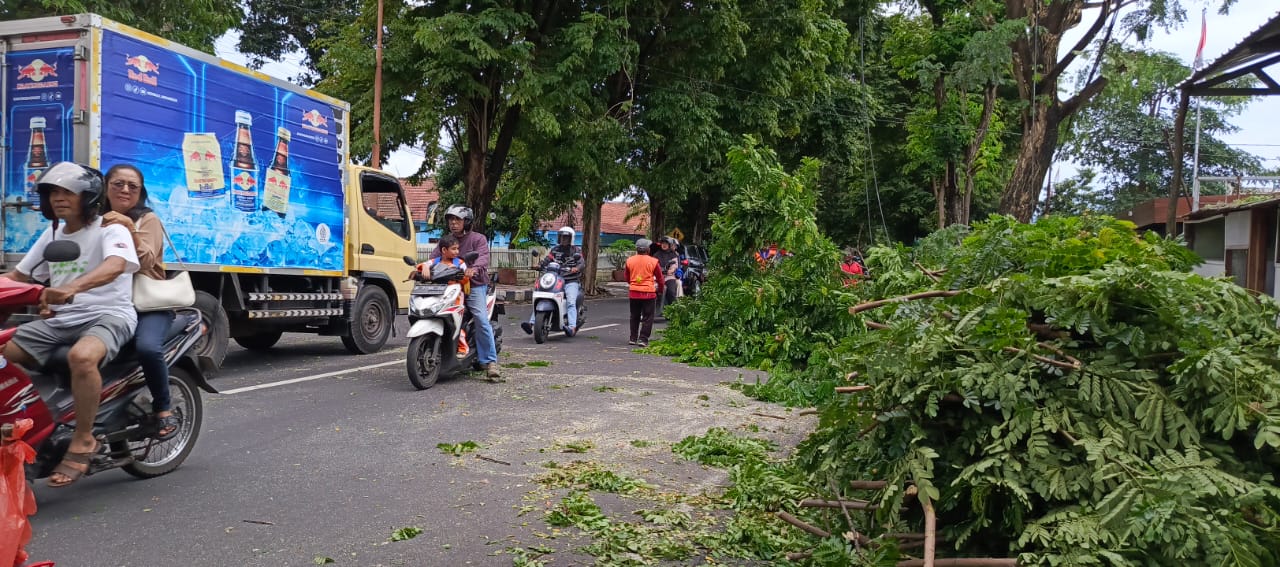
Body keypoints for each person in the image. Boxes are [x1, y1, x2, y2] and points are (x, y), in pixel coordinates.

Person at [2, 162, 139, 487]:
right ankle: (30, 417)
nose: (58, 199)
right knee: (3, 350)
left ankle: (83, 438)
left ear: (88, 196)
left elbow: (115, 265)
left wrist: (73, 287)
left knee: (83, 357)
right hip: (61, 320)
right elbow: (18, 277)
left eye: (68, 192)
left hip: (110, 314)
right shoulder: (52, 234)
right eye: (53, 193)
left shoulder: (111, 228)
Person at [99, 164, 180, 440]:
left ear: (140, 193)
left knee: (147, 348)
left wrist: (127, 227)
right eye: (118, 184)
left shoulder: (147, 219)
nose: (125, 190)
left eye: (132, 186)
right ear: (105, 186)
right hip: (106, 302)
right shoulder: (93, 220)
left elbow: (145, 260)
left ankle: (163, 409)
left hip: (148, 303)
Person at [431, 205, 500, 380]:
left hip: (474, 285)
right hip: (450, 285)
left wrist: (473, 269)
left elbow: (483, 257)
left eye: (457, 220)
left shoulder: (478, 239)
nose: (453, 223)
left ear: (467, 221)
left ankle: (491, 361)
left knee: (480, 319)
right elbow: (433, 258)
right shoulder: (446, 240)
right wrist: (424, 269)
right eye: (450, 220)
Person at [521, 226, 584, 337]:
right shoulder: (555, 249)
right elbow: (547, 260)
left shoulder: (576, 250)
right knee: (544, 295)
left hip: (570, 280)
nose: (563, 239)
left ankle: (572, 327)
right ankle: (531, 324)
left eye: (566, 238)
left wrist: (576, 268)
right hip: (556, 278)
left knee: (570, 301)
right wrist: (539, 265)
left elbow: (581, 263)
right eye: (562, 237)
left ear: (571, 239)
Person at [414, 234, 469, 355]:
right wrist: (424, 267)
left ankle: (462, 348)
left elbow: (466, 277)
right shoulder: (436, 261)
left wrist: (462, 275)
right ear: (444, 250)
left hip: (455, 295)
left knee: (456, 321)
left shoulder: (459, 263)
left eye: (457, 248)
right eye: (453, 249)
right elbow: (423, 265)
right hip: (438, 293)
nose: (457, 251)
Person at [624, 238, 664, 347]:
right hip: (648, 293)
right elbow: (660, 279)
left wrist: (634, 284)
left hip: (634, 292)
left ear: (637, 249)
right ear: (648, 249)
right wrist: (660, 290)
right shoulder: (653, 261)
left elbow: (627, 277)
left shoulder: (629, 261)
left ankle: (633, 338)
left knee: (634, 316)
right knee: (648, 317)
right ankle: (643, 339)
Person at [652, 236, 681, 311]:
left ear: (669, 245)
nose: (664, 245)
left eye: (666, 243)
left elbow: (675, 265)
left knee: (671, 291)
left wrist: (670, 271)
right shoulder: (656, 254)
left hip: (669, 276)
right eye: (663, 243)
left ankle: (672, 311)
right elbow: (653, 265)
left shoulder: (673, 254)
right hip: (658, 277)